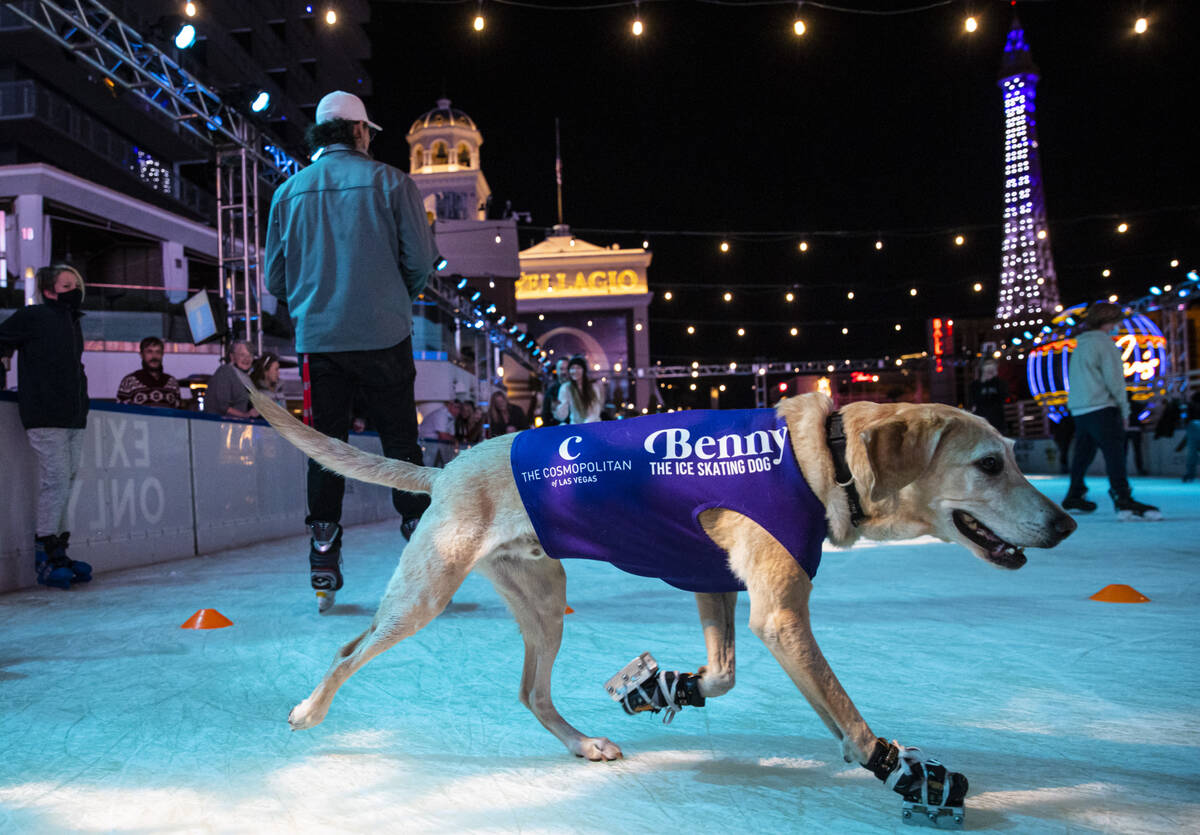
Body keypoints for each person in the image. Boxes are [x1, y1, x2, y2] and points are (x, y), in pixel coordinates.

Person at [266, 90, 437, 612]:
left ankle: (323, 550)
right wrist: (391, 296)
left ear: (322, 134)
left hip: (321, 341)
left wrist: (315, 300)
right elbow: (421, 261)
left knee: (327, 447)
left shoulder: (288, 193)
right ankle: (420, 544)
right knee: (401, 445)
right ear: (361, 132)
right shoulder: (392, 183)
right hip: (385, 334)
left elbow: (275, 277)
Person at [0, 264, 93, 588]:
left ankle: (61, 550)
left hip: (73, 415)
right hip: (45, 413)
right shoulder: (34, 316)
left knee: (66, 480)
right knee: (55, 480)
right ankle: (45, 552)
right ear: (50, 290)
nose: (75, 290)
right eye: (67, 285)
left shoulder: (72, 321)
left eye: (77, 284)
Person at [1062, 301, 1161, 519]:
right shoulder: (1105, 344)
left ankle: (1074, 493)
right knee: (1114, 453)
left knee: (1083, 454)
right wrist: (1125, 411)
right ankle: (1122, 497)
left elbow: (1074, 379)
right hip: (1102, 407)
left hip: (1080, 409)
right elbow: (1115, 381)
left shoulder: (1080, 345)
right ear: (1110, 321)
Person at [116, 336, 182, 409]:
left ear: (162, 354)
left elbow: (177, 415)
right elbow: (121, 414)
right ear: (141, 355)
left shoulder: (172, 383)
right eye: (149, 352)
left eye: (158, 352)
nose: (154, 356)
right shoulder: (129, 382)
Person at [203, 340, 258, 418]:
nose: (247, 359)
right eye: (242, 355)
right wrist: (245, 415)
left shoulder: (245, 376)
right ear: (232, 357)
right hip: (222, 425)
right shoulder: (225, 372)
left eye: (250, 355)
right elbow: (222, 406)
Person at [554, 355, 603, 425]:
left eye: (578, 368)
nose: (575, 371)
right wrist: (558, 408)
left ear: (584, 370)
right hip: (576, 427)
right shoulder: (566, 387)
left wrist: (584, 426)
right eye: (572, 368)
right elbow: (562, 416)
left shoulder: (593, 387)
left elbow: (595, 412)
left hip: (593, 425)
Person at [968, 359, 1008, 434]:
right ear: (983, 370)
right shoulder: (976, 385)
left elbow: (1004, 397)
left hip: (997, 419)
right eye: (988, 371)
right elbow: (972, 400)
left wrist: (994, 381)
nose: (990, 373)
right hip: (982, 418)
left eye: (992, 371)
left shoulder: (1000, 383)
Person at [420, 399, 460, 467]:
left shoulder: (451, 417)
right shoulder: (441, 414)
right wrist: (455, 440)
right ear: (449, 405)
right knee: (428, 468)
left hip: (437, 446)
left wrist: (453, 439)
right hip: (427, 445)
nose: (458, 410)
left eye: (459, 408)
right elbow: (443, 436)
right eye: (456, 407)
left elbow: (451, 435)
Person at [540, 358, 569, 427]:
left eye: (566, 369)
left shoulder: (577, 389)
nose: (564, 372)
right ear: (557, 370)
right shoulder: (550, 392)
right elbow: (545, 416)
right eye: (561, 369)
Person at [1182, 389, 1200, 483]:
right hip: (1194, 424)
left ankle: (1190, 474)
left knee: (1192, 452)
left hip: (1193, 425)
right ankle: (1189, 474)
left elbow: (1185, 417)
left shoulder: (1190, 405)